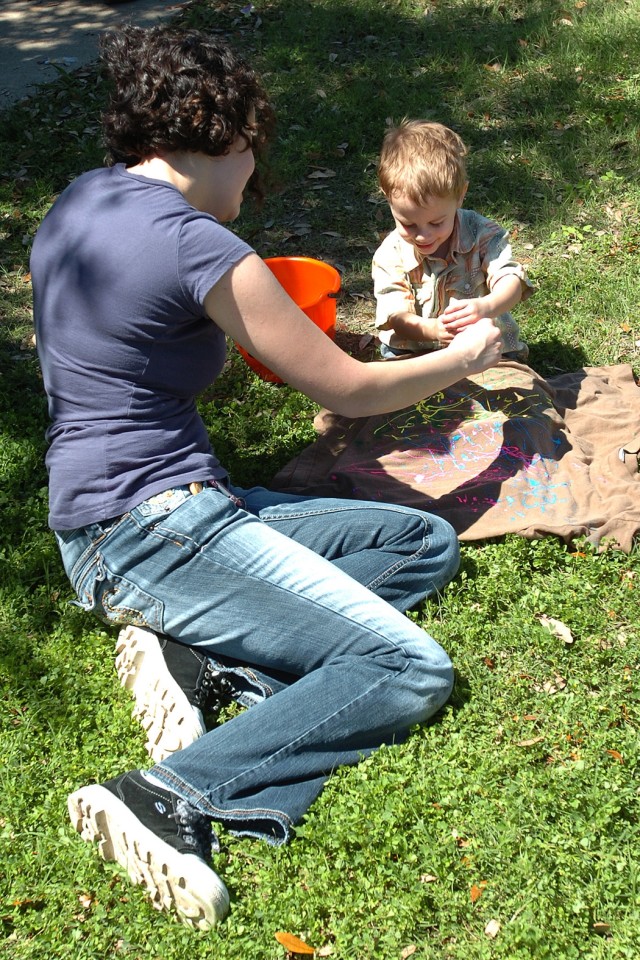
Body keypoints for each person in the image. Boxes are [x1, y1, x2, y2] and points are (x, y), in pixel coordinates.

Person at [30, 25, 504, 930]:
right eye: (251, 155)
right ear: (223, 140)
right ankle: (165, 796)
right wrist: (467, 354)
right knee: (405, 666)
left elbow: (124, 345)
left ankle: (200, 652)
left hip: (134, 513)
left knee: (420, 539)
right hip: (152, 529)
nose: (253, 176)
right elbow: (349, 391)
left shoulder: (80, 201)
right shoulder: (205, 248)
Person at [372, 119, 534, 360]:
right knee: (396, 387)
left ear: (461, 196)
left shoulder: (482, 233)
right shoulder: (390, 254)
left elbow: (510, 280)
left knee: (510, 390)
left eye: (436, 223)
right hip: (417, 354)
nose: (422, 235)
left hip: (486, 351)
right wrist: (432, 330)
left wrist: (486, 307)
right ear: (388, 199)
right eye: (408, 224)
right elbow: (396, 316)